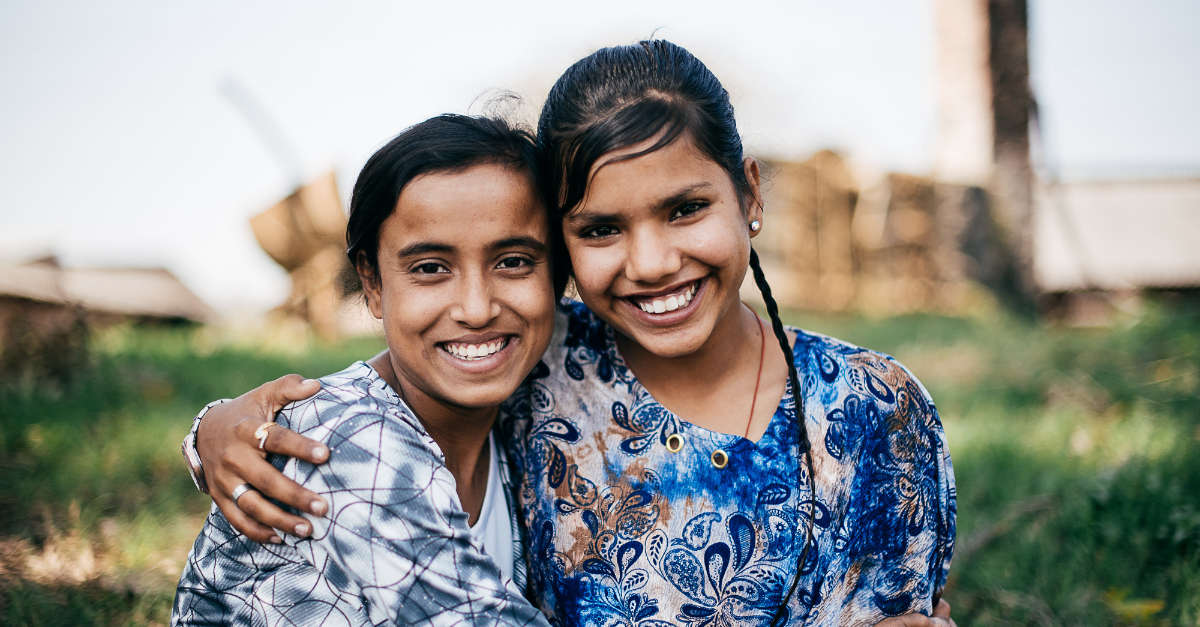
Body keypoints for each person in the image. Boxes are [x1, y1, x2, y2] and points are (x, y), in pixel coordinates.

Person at [184, 41, 956, 626]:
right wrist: (224, 427)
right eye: (601, 228)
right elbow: (378, 406)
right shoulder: (543, 366)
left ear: (748, 191)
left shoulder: (874, 411)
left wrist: (211, 430)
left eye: (685, 208)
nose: (653, 262)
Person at [173, 114, 560, 627]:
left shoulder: (521, 414)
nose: (476, 307)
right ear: (373, 284)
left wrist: (208, 427)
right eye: (430, 268)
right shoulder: (350, 442)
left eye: (512, 261)